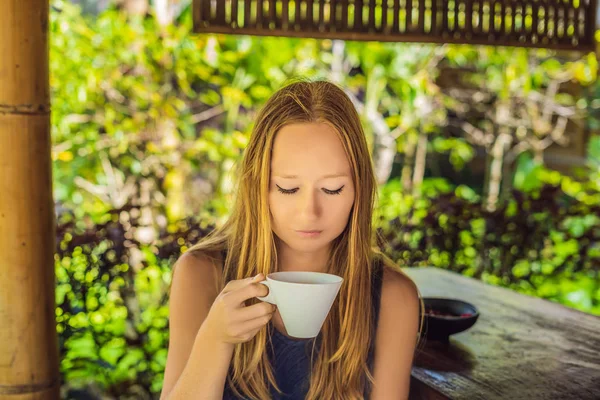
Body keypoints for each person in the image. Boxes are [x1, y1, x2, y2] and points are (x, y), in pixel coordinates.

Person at [160, 79, 423, 400]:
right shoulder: (202, 274)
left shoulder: (393, 298)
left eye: (332, 189)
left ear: (359, 188)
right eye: (287, 188)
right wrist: (214, 341)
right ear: (258, 185)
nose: (309, 212)